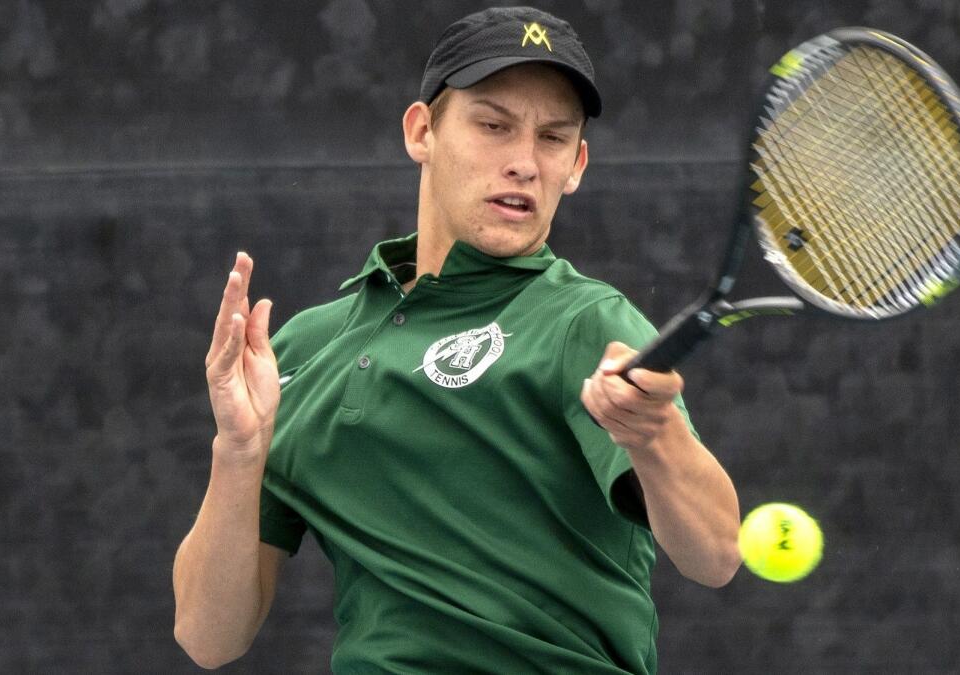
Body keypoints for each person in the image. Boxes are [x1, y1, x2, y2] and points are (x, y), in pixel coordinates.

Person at [172, 6, 741, 673]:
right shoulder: (301, 351)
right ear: (422, 131)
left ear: (577, 164)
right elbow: (208, 636)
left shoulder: (586, 323)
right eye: (493, 125)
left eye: (553, 138)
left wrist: (653, 436)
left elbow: (716, 553)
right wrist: (239, 452)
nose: (524, 163)